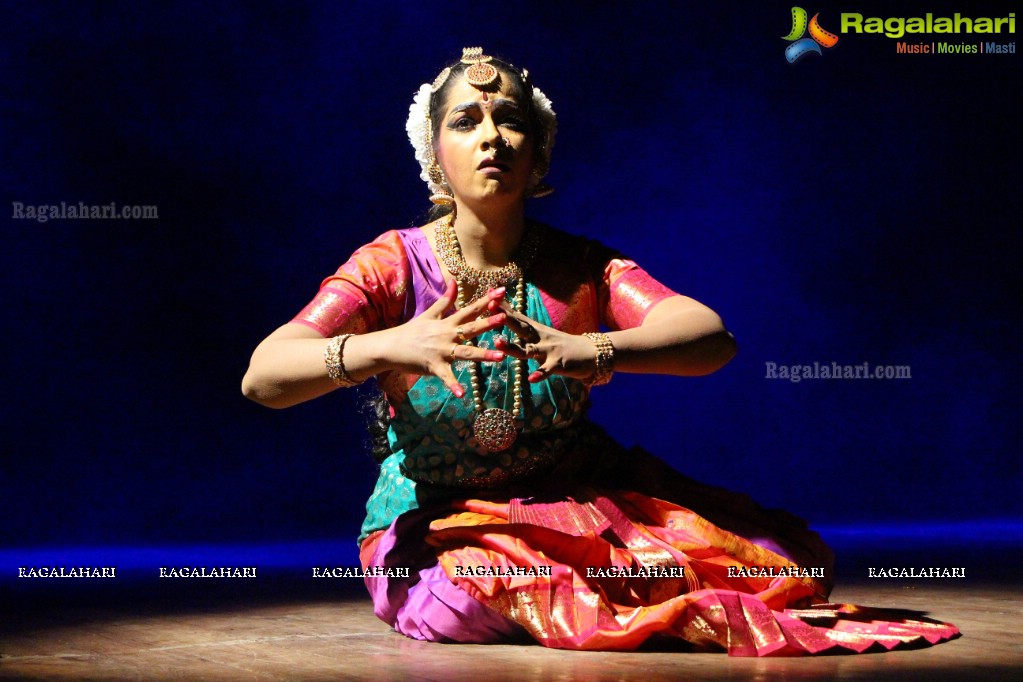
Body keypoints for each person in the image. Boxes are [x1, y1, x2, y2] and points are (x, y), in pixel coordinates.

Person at [242, 47, 958, 655]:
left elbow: (710, 337)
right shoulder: (391, 264)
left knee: (777, 569)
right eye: (466, 121)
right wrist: (388, 345)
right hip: (436, 516)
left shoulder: (580, 265)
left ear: (538, 148)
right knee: (467, 598)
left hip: (573, 497)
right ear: (435, 152)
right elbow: (265, 376)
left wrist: (597, 349)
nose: (491, 136)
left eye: (509, 120)